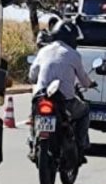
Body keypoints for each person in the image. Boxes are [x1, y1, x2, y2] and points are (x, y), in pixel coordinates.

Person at [28, 20, 94, 157]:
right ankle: (81, 144)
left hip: (41, 97)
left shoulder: (43, 51)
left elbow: (32, 74)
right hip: (65, 101)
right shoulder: (74, 55)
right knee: (85, 110)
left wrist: (36, 80)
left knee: (34, 115)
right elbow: (83, 79)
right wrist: (90, 84)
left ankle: (33, 143)